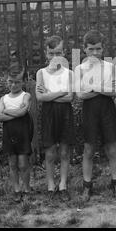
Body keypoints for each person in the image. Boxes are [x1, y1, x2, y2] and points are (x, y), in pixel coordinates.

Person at [74, 30, 116, 202]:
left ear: (103, 49)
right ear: (84, 49)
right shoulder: (79, 68)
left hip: (107, 110)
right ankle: (87, 186)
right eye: (91, 49)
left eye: (98, 49)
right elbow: (80, 95)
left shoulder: (111, 67)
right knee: (88, 149)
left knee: (111, 148)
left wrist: (94, 88)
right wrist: (103, 88)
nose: (95, 52)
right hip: (89, 111)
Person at [35, 35, 75, 202]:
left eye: (58, 53)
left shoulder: (69, 73)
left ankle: (63, 185)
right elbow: (40, 98)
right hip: (48, 114)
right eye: (51, 53)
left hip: (65, 113)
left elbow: (70, 97)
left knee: (65, 151)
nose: (54, 57)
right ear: (46, 53)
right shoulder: (41, 73)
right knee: (50, 153)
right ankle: (51, 185)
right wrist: (60, 92)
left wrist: (50, 94)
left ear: (64, 53)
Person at [0, 63, 33, 203]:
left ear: (22, 82)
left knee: (23, 164)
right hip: (9, 134)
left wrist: (6, 111)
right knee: (12, 164)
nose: (13, 85)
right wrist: (16, 113)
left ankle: (27, 189)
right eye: (10, 82)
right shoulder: (3, 99)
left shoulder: (26, 96)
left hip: (23, 133)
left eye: (17, 82)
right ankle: (17, 190)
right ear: (6, 81)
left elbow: (23, 112)